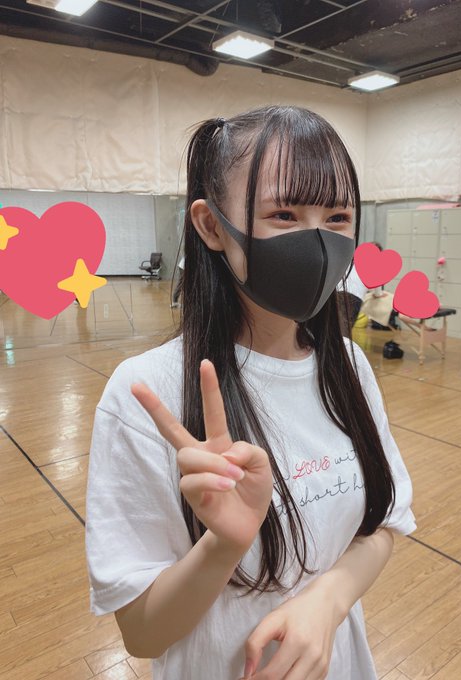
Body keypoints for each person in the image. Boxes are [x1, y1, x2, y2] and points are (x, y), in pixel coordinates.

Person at [85, 105, 416, 680]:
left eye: (338, 217)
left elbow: (385, 521)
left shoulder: (351, 368)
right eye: (284, 214)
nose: (318, 241)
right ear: (212, 226)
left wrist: (328, 600)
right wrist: (221, 546)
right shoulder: (149, 395)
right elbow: (141, 634)